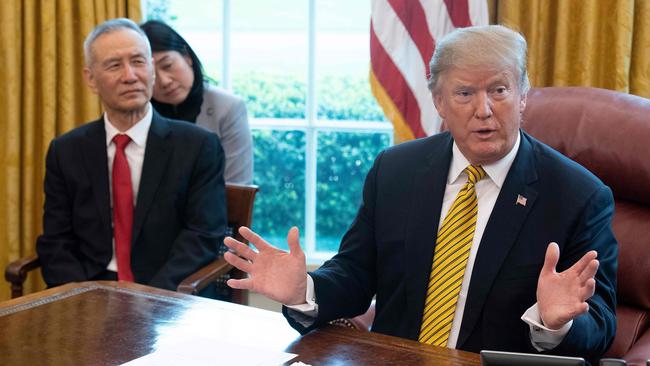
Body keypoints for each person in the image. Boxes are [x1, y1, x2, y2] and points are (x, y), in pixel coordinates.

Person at [222, 25, 617, 361]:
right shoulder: (396, 170)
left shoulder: (578, 196)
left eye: (499, 90)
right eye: (465, 94)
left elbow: (600, 326)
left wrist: (555, 323)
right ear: (439, 103)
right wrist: (304, 290)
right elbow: (356, 274)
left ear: (523, 95)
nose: (484, 110)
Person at [36, 18, 227, 292]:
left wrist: (148, 298)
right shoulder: (65, 151)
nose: (130, 75)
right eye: (115, 65)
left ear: (151, 69)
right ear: (90, 79)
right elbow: (56, 241)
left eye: (138, 62)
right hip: (91, 293)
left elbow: (202, 236)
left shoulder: (198, 146)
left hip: (167, 292)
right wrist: (81, 297)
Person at [140, 20, 253, 184]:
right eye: (152, 75)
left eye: (168, 65)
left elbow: (237, 188)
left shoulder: (228, 107)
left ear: (187, 57)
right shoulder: (139, 113)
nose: (164, 81)